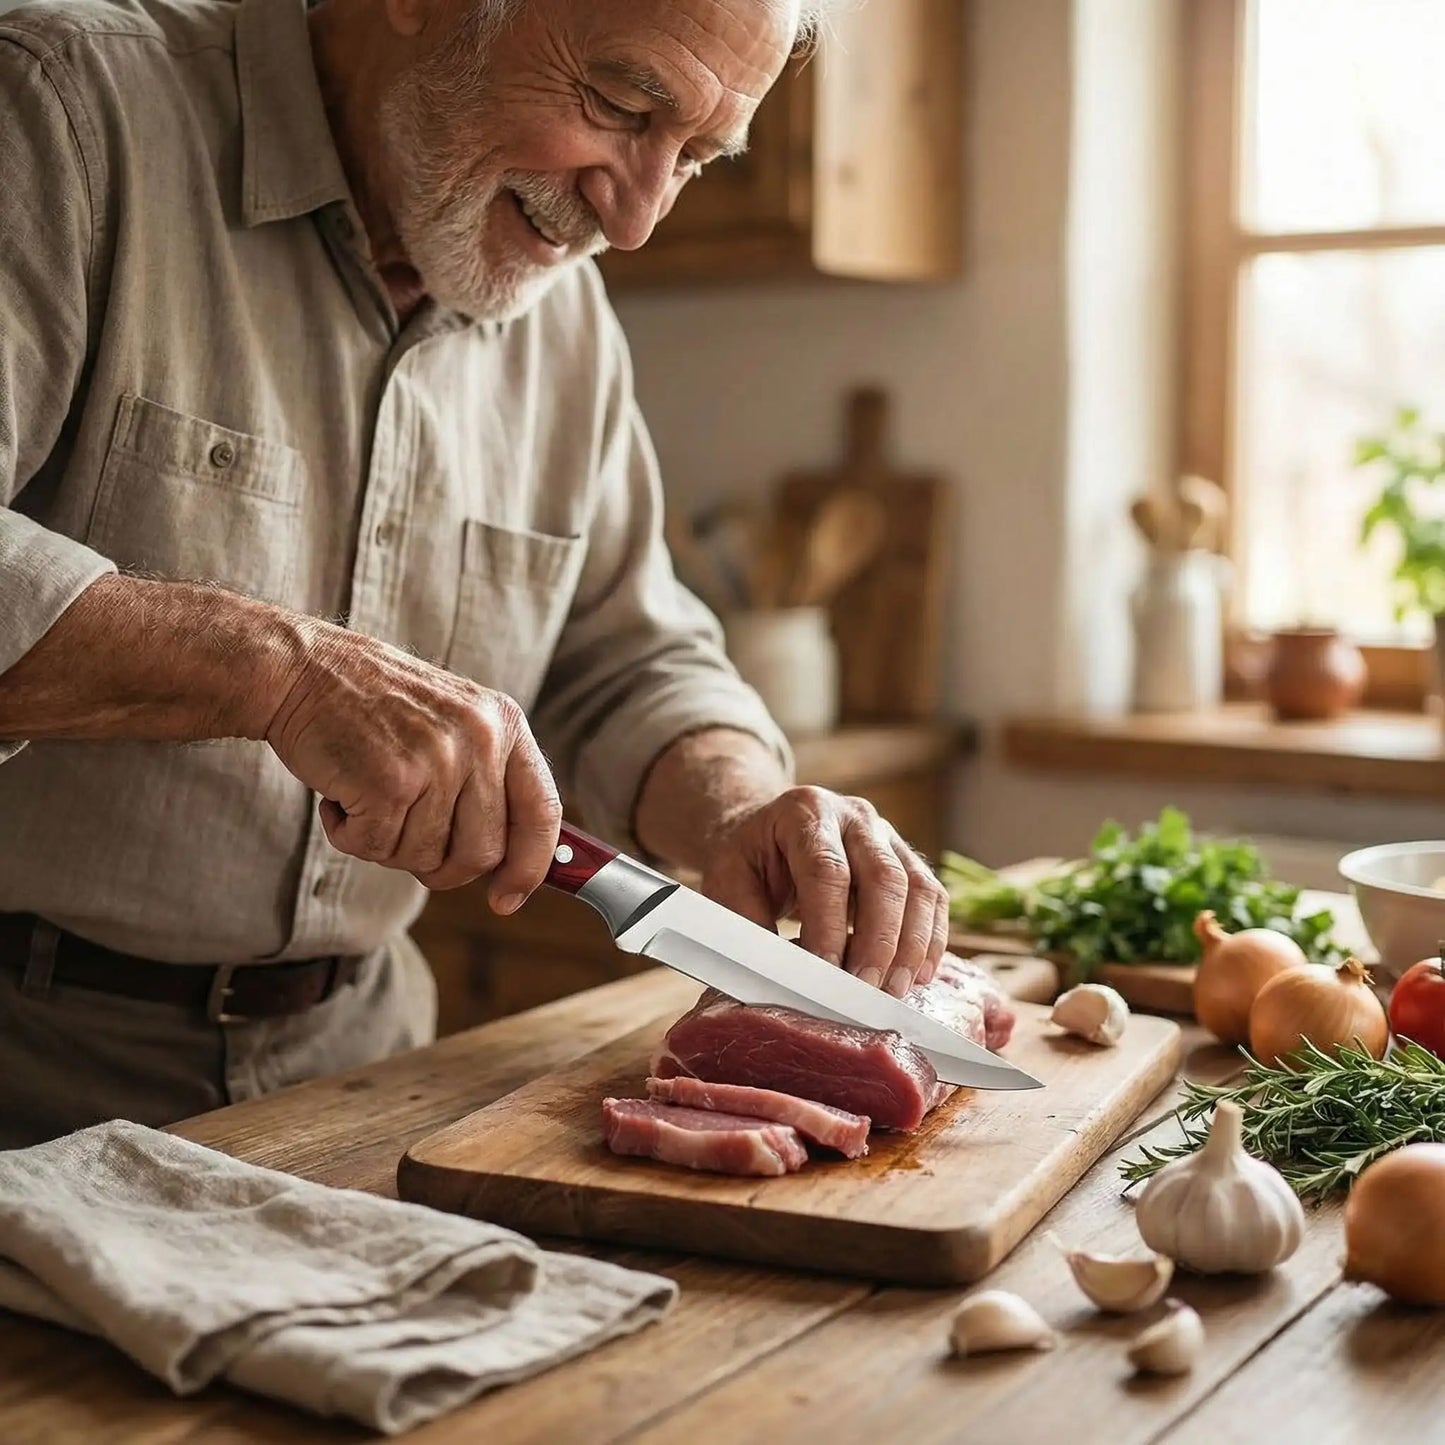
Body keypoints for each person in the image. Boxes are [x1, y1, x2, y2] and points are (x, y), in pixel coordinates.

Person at [0, 0, 950, 1148]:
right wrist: (280, 672)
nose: (639, 216)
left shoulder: (566, 319)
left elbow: (624, 657)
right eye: (621, 105)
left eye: (692, 157)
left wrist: (736, 799)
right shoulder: (57, 112)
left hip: (359, 1070)